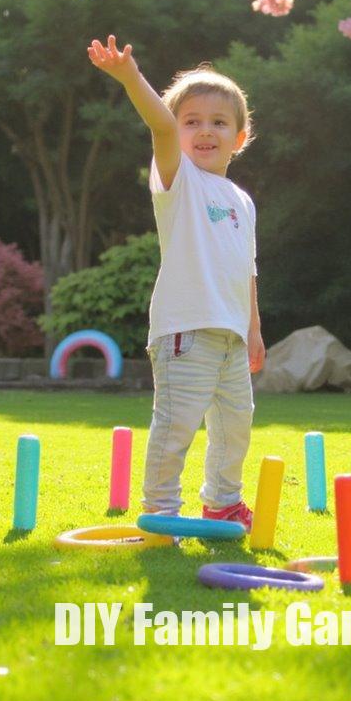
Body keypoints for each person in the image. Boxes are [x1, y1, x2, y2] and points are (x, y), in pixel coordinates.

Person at [88, 35, 265, 530]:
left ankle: (223, 502)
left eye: (218, 122)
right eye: (192, 122)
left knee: (235, 426)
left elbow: (247, 269)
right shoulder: (177, 179)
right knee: (176, 427)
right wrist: (130, 77)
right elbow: (161, 126)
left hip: (231, 335)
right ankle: (162, 510)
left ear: (239, 137)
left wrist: (253, 329)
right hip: (185, 331)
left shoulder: (242, 200)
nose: (204, 131)